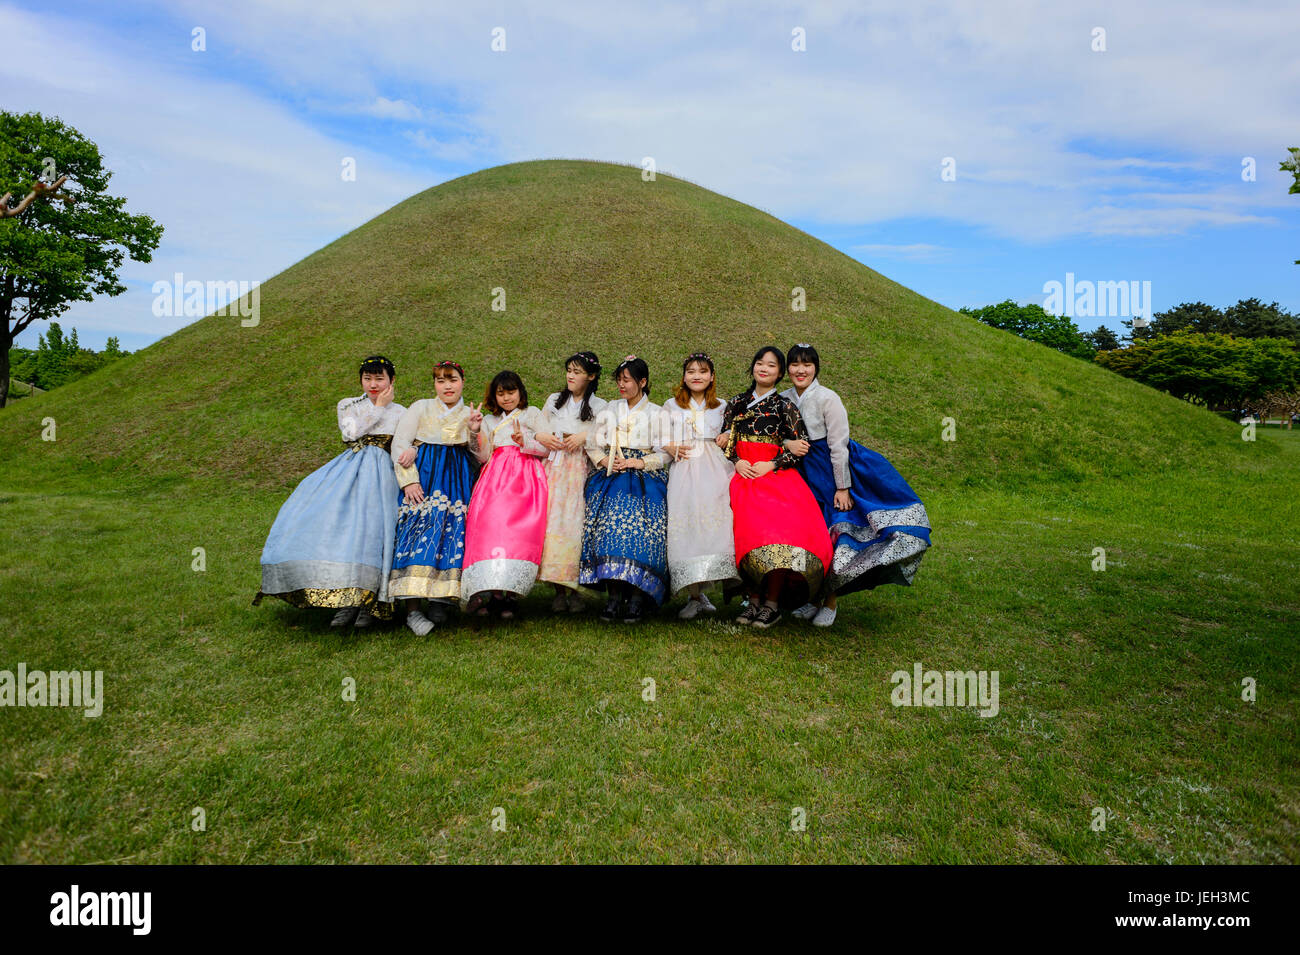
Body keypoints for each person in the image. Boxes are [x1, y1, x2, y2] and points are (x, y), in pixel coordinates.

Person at [781, 343, 931, 626]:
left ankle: (830, 601)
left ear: (816, 368)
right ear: (787, 368)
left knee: (836, 532)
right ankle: (812, 598)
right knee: (810, 533)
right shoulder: (783, 398)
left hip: (828, 469)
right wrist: (788, 442)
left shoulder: (828, 398)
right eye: (795, 364)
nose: (801, 370)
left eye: (807, 364)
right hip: (799, 472)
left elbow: (839, 444)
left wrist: (842, 486)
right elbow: (776, 434)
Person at [254, 355, 406, 627]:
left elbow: (403, 445)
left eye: (379, 378)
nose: (373, 384)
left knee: (376, 534)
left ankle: (370, 603)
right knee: (347, 532)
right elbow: (350, 433)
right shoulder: (348, 404)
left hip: (385, 476)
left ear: (392, 381)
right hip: (352, 473)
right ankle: (346, 600)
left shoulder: (402, 412)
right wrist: (378, 408)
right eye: (367, 378)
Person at [718, 346, 832, 629]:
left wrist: (773, 463)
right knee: (748, 536)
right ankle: (752, 598)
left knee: (777, 534)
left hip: (776, 477)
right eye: (759, 363)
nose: (764, 369)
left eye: (771, 365)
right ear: (752, 368)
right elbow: (726, 440)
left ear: (780, 374)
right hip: (743, 476)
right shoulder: (736, 403)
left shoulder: (785, 406)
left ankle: (771, 603)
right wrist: (737, 460)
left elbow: (800, 448)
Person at [388, 360, 481, 635]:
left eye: (452, 379)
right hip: (425, 479)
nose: (447, 386)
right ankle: (413, 609)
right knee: (417, 533)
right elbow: (401, 444)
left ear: (462, 381)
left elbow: (481, 456)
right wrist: (409, 481)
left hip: (457, 480)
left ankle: (440, 599)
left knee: (451, 535)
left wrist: (475, 431)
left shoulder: (469, 413)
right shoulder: (420, 408)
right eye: (441, 381)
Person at [580, 356, 673, 623]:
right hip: (611, 474)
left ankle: (636, 598)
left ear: (642, 382)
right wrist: (604, 461)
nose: (622, 384)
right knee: (610, 534)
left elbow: (665, 453)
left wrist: (639, 462)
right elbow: (592, 441)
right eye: (619, 379)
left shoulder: (657, 412)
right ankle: (613, 596)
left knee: (640, 536)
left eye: (627, 380)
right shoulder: (610, 408)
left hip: (644, 478)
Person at [460, 370, 549, 619]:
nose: (507, 398)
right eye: (501, 393)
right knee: (490, 528)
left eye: (511, 392)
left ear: (520, 392)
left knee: (517, 533)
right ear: (494, 396)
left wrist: (526, 440)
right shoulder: (489, 420)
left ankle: (510, 595)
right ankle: (491, 590)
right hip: (495, 476)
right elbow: (482, 455)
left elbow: (547, 448)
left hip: (525, 476)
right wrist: (474, 430)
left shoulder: (532, 414)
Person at [661, 351, 739, 618]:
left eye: (703, 371)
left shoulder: (722, 406)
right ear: (684, 376)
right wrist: (671, 446)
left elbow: (734, 434)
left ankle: (730, 586)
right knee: (689, 523)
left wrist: (728, 434)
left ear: (712, 376)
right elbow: (659, 435)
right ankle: (695, 595)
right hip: (685, 467)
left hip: (716, 468)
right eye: (692, 371)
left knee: (718, 523)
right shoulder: (671, 405)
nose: (697, 376)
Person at [535, 352, 607, 612]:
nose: (570, 375)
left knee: (575, 525)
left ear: (591, 376)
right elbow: (539, 426)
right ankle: (558, 590)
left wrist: (583, 437)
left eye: (577, 371)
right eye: (569, 370)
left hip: (580, 469)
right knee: (552, 524)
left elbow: (604, 434)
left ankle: (575, 588)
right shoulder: (555, 400)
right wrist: (545, 436)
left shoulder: (600, 406)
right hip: (554, 467)